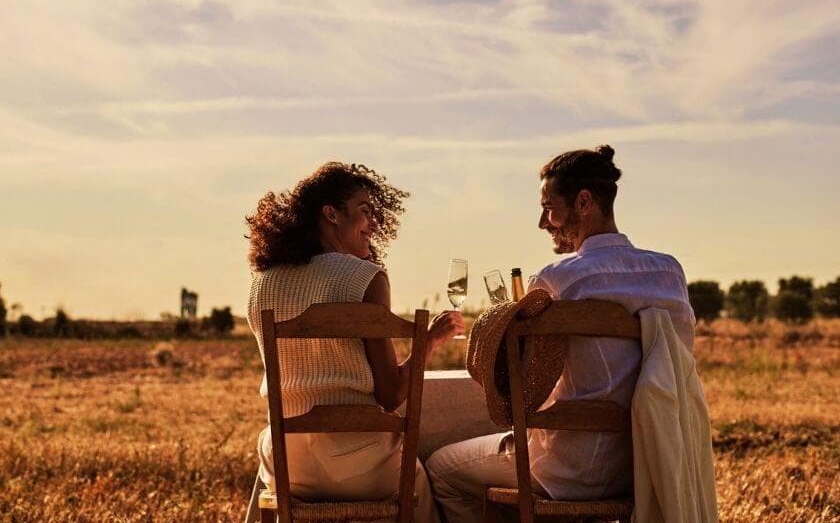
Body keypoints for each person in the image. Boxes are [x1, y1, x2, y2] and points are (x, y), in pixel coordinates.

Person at [426, 145, 696, 523]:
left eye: (548, 207)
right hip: (648, 462)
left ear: (584, 202)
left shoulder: (558, 278)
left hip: (569, 470)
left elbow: (523, 380)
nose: (543, 222)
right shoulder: (669, 274)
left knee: (442, 468)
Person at [245, 162, 463, 523]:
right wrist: (430, 341)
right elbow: (390, 394)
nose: (374, 225)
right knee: (418, 478)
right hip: (361, 464)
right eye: (364, 212)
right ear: (331, 214)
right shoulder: (365, 278)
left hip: (287, 463)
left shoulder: (262, 283)